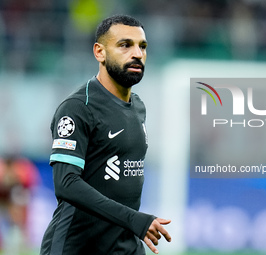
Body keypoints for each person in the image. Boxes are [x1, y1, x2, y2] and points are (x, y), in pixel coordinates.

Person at [40, 14, 171, 255]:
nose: (137, 54)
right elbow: (66, 184)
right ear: (99, 52)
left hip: (124, 246)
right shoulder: (78, 108)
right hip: (75, 248)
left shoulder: (138, 107)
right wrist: (134, 220)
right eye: (125, 45)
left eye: (142, 46)